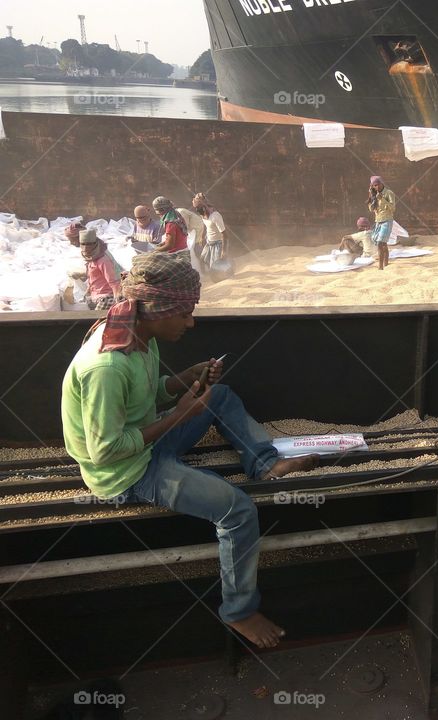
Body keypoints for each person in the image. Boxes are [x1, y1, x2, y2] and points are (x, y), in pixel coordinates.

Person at [61, 252, 323, 648]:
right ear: (156, 309)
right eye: (184, 313)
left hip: (145, 445)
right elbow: (105, 452)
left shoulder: (137, 333)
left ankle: (264, 464)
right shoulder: (107, 367)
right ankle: (239, 611)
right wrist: (179, 417)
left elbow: (144, 394)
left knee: (219, 395)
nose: (191, 322)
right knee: (238, 511)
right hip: (126, 474)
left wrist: (183, 381)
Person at [78, 228, 122, 311]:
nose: (85, 247)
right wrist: (88, 291)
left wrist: (118, 302)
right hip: (95, 295)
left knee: (95, 321)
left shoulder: (103, 260)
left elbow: (114, 282)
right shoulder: (92, 257)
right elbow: (93, 278)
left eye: (89, 244)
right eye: (83, 244)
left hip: (106, 297)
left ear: (95, 244)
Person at [367, 176, 396, 270]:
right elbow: (371, 209)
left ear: (382, 183)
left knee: (380, 243)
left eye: (378, 184)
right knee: (383, 243)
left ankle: (380, 267)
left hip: (387, 220)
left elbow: (393, 208)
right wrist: (371, 196)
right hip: (378, 221)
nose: (377, 187)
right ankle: (386, 264)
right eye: (374, 185)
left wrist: (382, 199)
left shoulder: (389, 193)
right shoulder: (374, 194)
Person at [192, 192, 226, 272]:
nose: (197, 211)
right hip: (209, 242)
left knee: (215, 266)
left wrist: (224, 251)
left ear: (204, 207)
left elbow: (225, 235)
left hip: (218, 243)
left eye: (198, 208)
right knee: (202, 259)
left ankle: (222, 274)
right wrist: (202, 237)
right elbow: (206, 226)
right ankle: (206, 275)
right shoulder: (203, 214)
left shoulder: (215, 216)